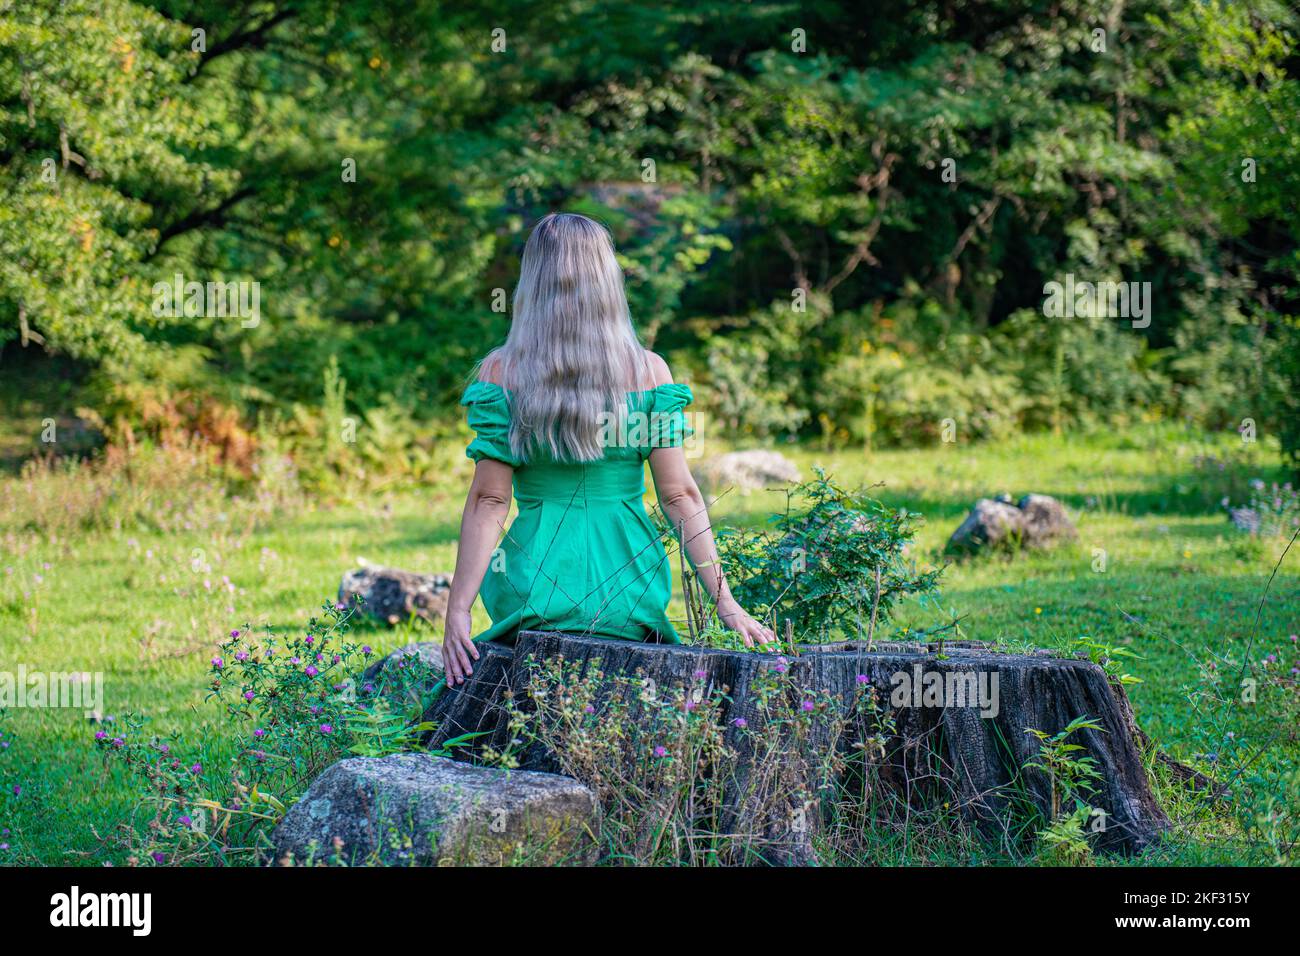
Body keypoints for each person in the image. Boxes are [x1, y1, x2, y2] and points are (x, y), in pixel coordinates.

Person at [442, 212, 774, 686]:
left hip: (533, 590)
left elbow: (489, 500)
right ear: (607, 279)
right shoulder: (649, 372)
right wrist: (726, 602)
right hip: (629, 587)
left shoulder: (502, 373)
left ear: (531, 283)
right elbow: (680, 496)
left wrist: (458, 609)